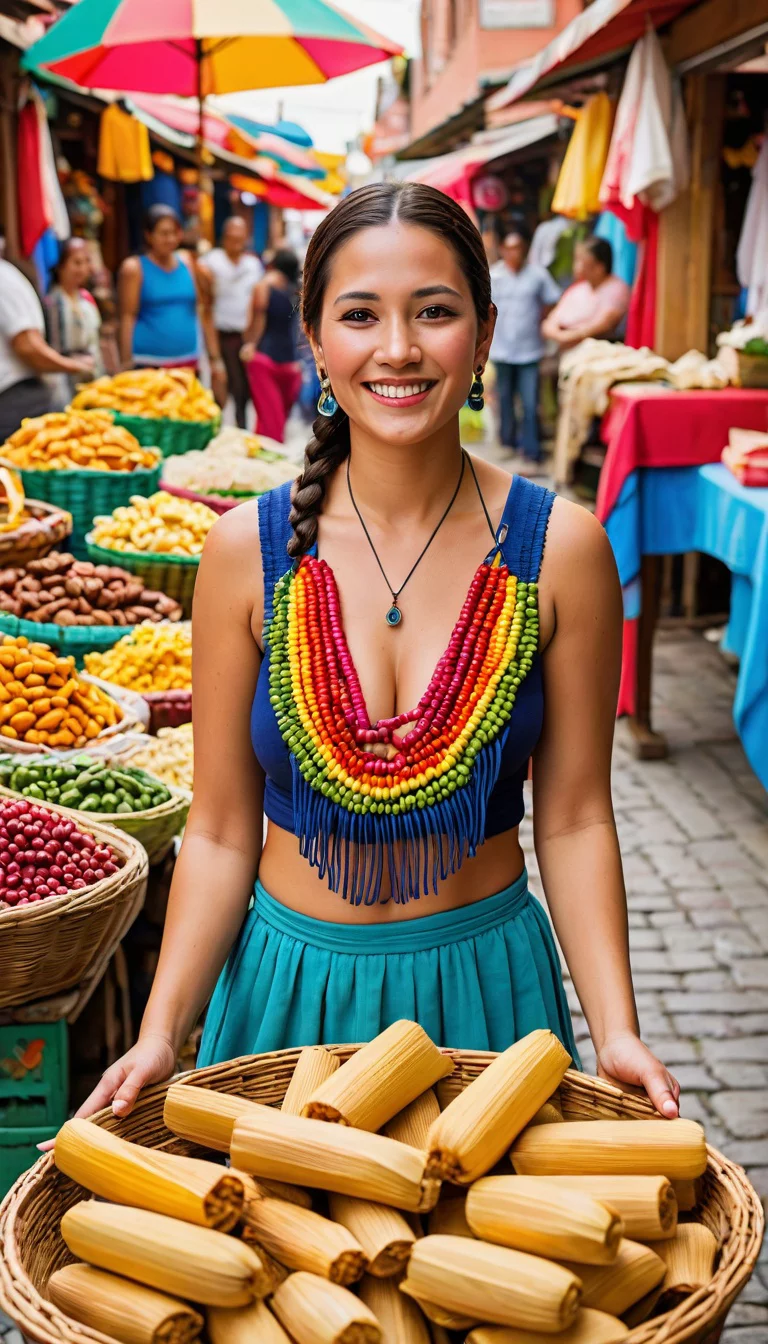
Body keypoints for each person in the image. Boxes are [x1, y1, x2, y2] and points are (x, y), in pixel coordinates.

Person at [75, 182, 679, 1127]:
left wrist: (618, 1031)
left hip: (486, 1004)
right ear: (315, 341)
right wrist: (161, 1031)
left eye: (434, 312)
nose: (398, 348)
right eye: (361, 315)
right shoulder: (244, 552)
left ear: (483, 336)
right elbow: (224, 830)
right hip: (284, 998)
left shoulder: (563, 549)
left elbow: (572, 821)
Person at [117, 205, 226, 405]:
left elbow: (204, 311)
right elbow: (127, 316)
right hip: (147, 364)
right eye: (163, 233)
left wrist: (215, 358)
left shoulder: (189, 264)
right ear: (149, 236)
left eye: (174, 233)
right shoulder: (134, 268)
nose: (169, 239)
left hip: (187, 364)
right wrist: (125, 364)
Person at [0, 254, 94, 442]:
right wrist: (73, 366)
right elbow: (27, 346)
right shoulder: (5, 277)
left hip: (16, 397)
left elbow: (27, 344)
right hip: (15, 396)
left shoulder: (5, 278)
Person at [490, 229, 561, 473]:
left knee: (531, 402)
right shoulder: (493, 276)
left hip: (530, 350)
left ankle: (532, 450)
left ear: (525, 250)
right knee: (505, 399)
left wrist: (543, 320)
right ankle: (507, 443)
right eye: (509, 248)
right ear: (502, 251)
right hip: (501, 349)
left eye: (518, 248)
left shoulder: (538, 276)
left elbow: (553, 300)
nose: (514, 253)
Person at [197, 217, 264, 429]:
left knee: (243, 388)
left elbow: (258, 301)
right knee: (219, 384)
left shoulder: (253, 265)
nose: (236, 242)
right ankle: (216, 430)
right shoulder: (210, 262)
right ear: (224, 238)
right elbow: (204, 301)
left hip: (243, 335)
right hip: (218, 333)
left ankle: (240, 428)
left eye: (240, 238)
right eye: (232, 238)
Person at [240, 249, 301, 442]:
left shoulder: (263, 287)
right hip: (292, 365)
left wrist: (249, 344)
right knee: (277, 420)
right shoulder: (298, 290)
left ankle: (267, 466)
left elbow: (256, 322)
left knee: (270, 425)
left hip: (264, 360)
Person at [542, 236, 630, 350]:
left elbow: (604, 325)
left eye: (581, 260)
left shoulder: (617, 289)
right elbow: (550, 321)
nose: (576, 265)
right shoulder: (579, 288)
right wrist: (558, 334)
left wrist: (567, 336)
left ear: (599, 267)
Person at [44, 238, 103, 402]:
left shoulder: (86, 299)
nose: (83, 269)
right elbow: (54, 348)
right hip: (64, 383)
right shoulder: (53, 302)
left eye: (86, 262)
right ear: (61, 266)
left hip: (90, 378)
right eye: (77, 263)